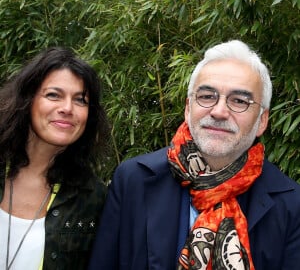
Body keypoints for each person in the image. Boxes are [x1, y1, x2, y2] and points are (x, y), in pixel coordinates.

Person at [88, 40, 300, 270]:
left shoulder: (290, 205)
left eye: (239, 101)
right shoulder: (133, 181)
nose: (219, 112)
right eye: (207, 96)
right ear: (188, 108)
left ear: (262, 121)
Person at [0, 47, 110, 270]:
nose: (67, 108)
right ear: (28, 100)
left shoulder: (93, 198)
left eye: (80, 100)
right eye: (53, 95)